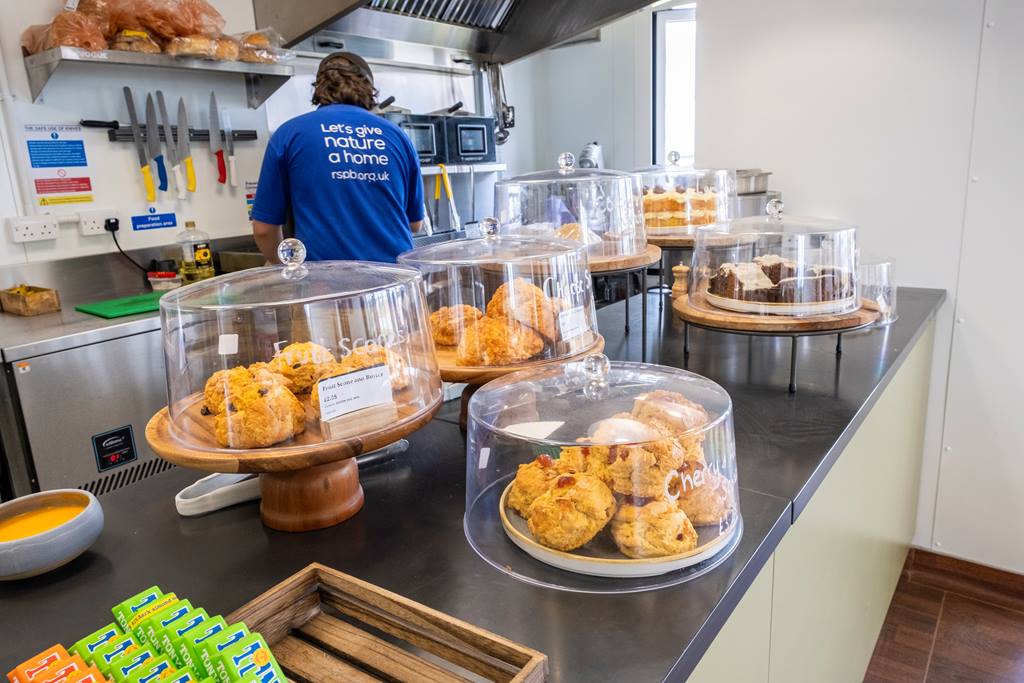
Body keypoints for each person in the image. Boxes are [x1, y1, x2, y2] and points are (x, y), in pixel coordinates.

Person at [250, 52, 424, 263]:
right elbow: (414, 224)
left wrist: (285, 268)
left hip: (327, 286)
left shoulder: (289, 134)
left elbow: (263, 230)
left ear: (320, 87)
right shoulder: (397, 136)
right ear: (370, 89)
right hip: (396, 282)